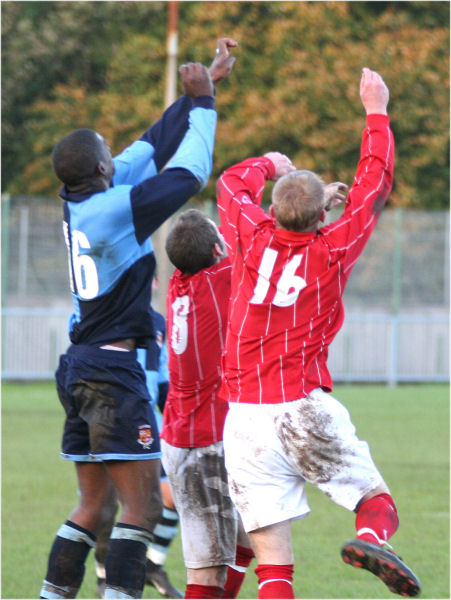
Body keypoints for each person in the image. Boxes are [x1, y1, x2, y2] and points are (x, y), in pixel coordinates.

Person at [40, 37, 237, 600]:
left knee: (93, 506)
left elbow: (149, 148)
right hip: (113, 373)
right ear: (102, 167)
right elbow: (190, 173)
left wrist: (200, 93)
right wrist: (204, 108)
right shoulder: (112, 210)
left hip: (80, 366)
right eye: (109, 151)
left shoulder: (84, 199)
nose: (116, 154)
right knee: (144, 506)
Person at [216, 68, 421, 599]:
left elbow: (229, 186)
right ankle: (373, 538)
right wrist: (376, 110)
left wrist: (270, 165)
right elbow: (373, 184)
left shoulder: (247, 235)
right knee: (376, 502)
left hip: (243, 420)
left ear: (273, 211)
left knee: (274, 568)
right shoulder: (330, 249)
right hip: (302, 405)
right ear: (320, 214)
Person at [161, 209, 254, 599]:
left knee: (247, 541)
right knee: (207, 571)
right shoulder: (218, 280)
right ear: (217, 250)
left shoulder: (178, 283)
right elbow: (259, 244)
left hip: (183, 435)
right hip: (203, 444)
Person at [93, 299, 182, 600]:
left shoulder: (159, 323)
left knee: (173, 496)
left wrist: (173, 417)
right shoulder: (100, 313)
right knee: (108, 503)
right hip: (110, 422)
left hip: (151, 425)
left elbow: (163, 378)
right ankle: (104, 576)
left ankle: (152, 565)